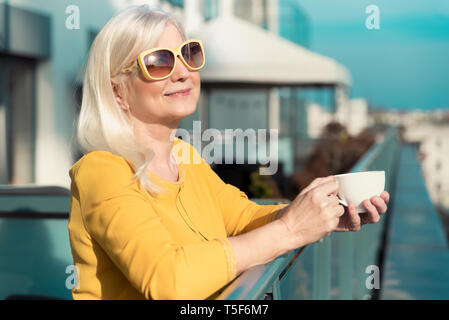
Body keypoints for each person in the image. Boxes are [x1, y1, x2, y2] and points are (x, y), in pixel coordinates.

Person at [68, 5, 389, 300]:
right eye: (159, 61)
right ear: (117, 92)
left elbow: (241, 217)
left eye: (187, 54)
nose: (182, 72)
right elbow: (168, 281)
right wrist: (290, 230)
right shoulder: (102, 170)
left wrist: (321, 213)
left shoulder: (184, 156)